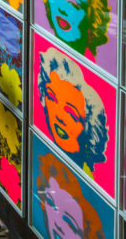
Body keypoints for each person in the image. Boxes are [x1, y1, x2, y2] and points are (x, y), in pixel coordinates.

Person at [37, 46, 109, 177]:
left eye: (71, 113)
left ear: (90, 129)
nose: (59, 116)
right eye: (52, 98)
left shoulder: (88, 185)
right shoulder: (39, 156)